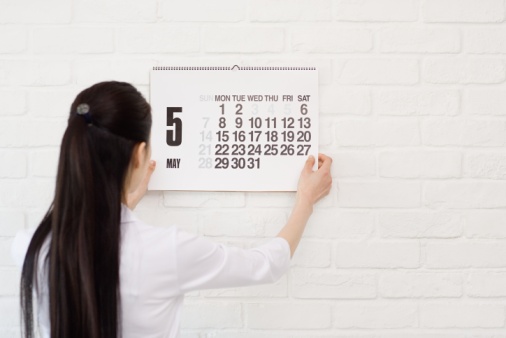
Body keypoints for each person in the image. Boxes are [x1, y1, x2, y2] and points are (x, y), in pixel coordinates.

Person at [12, 81, 332, 338]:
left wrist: (124, 201)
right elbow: (265, 265)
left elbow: (89, 235)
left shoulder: (28, 247)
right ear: (139, 155)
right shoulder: (168, 251)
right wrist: (305, 200)